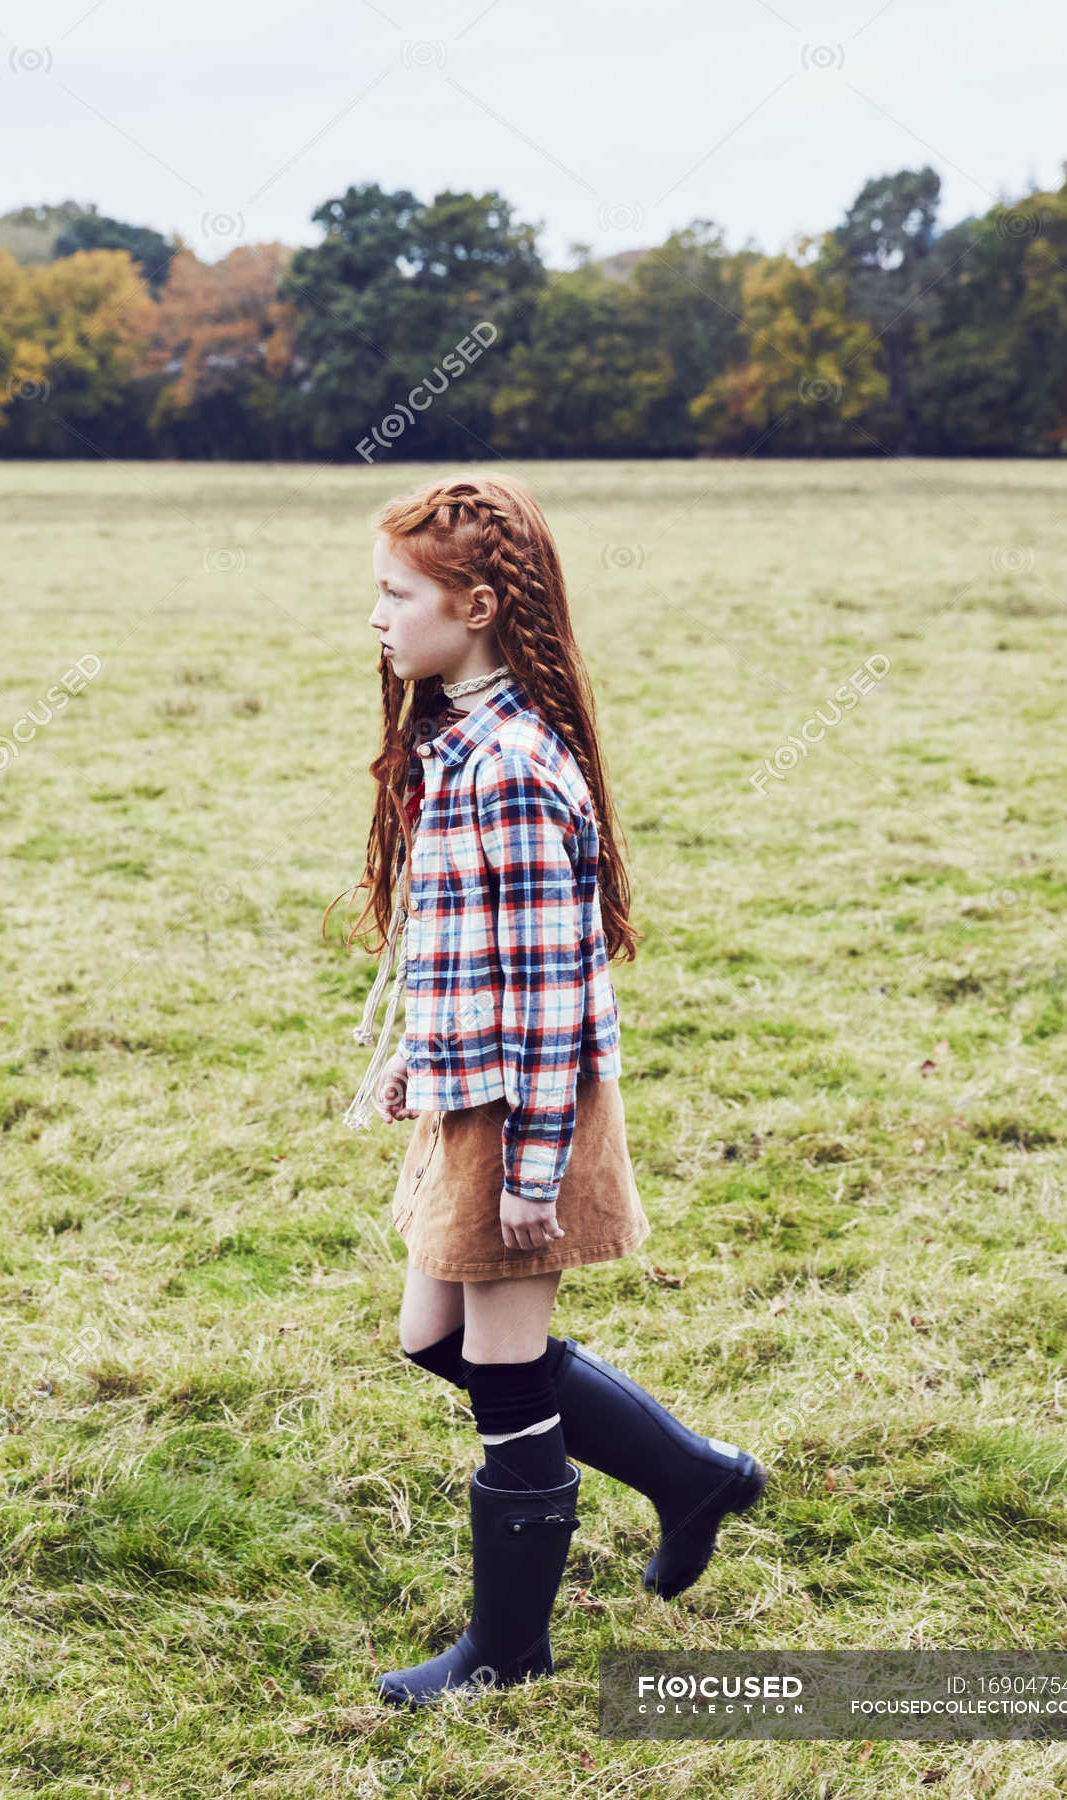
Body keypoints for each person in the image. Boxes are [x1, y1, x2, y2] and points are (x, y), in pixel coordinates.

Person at [323, 470, 767, 1710]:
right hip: (477, 1102)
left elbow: (553, 994)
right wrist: (421, 1065)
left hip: (530, 1118)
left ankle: (509, 1653)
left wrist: (529, 1175)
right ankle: (694, 1476)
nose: (376, 616)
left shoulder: (513, 765)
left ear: (474, 605)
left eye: (394, 593)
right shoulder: (463, 741)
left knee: (506, 1375)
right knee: (433, 1339)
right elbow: (469, 959)